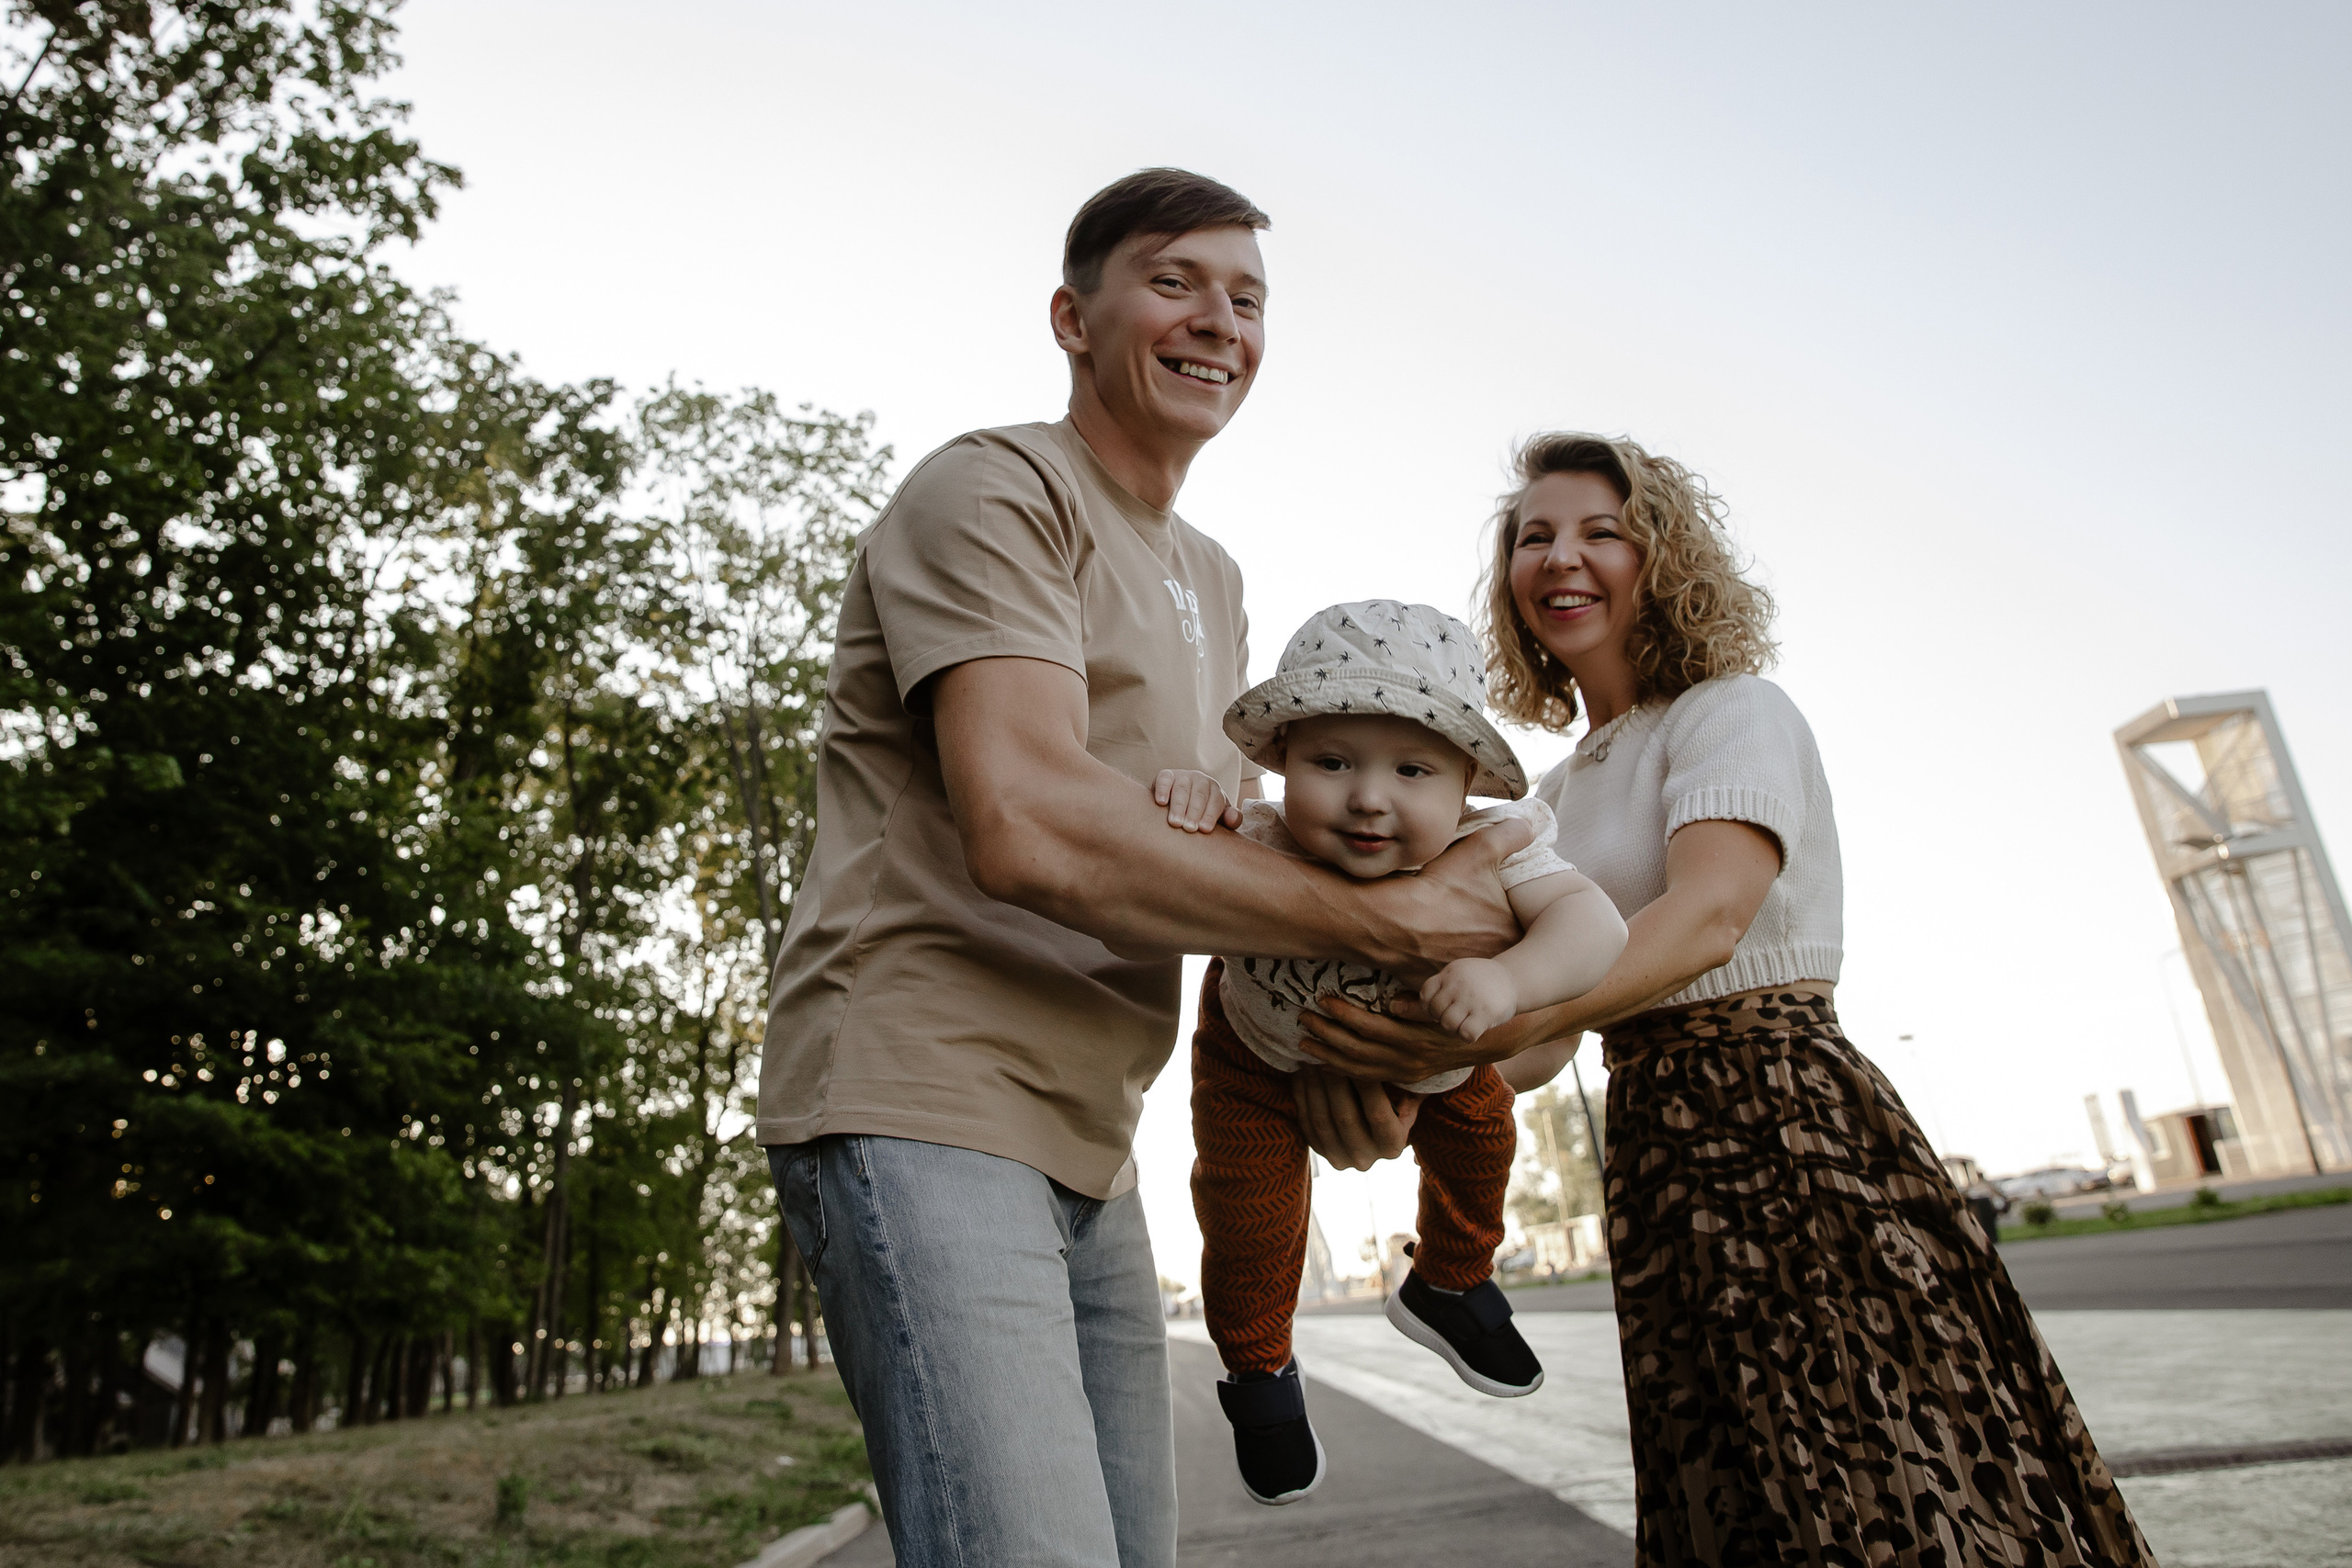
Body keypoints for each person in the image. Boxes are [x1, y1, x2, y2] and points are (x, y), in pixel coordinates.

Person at [755, 171, 1536, 1568]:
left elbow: (1230, 866)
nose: (1219, 321)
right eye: (1174, 282)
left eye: (1248, 299)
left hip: (1099, 1139)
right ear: (1073, 316)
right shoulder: (996, 487)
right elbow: (1030, 821)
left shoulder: (1216, 578)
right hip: (927, 1095)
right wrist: (1402, 919)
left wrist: (1354, 1049)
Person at [1290, 434, 2153, 1567]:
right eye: (1533, 538)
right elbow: (1532, 1046)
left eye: (1601, 532)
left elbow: (1707, 918)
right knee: (1734, 1492)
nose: (1561, 558)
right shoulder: (1546, 798)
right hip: (1656, 1147)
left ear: (1662, 560)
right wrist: (1396, 1079)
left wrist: (1508, 1012)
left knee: (1886, 1474)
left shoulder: (1730, 711)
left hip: (1788, 1120)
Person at [1155, 600, 1627, 1505]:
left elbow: (1596, 927)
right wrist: (1193, 798)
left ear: (1465, 784)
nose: (1369, 796)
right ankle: (1258, 1372)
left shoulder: (1494, 845)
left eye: (1412, 769)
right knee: (1246, 1218)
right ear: (1282, 760)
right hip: (1256, 1057)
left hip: (1432, 1060)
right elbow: (1157, 871)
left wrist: (1510, 980)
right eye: (1331, 763)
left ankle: (1451, 1280)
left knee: (1482, 1142)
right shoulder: (1257, 833)